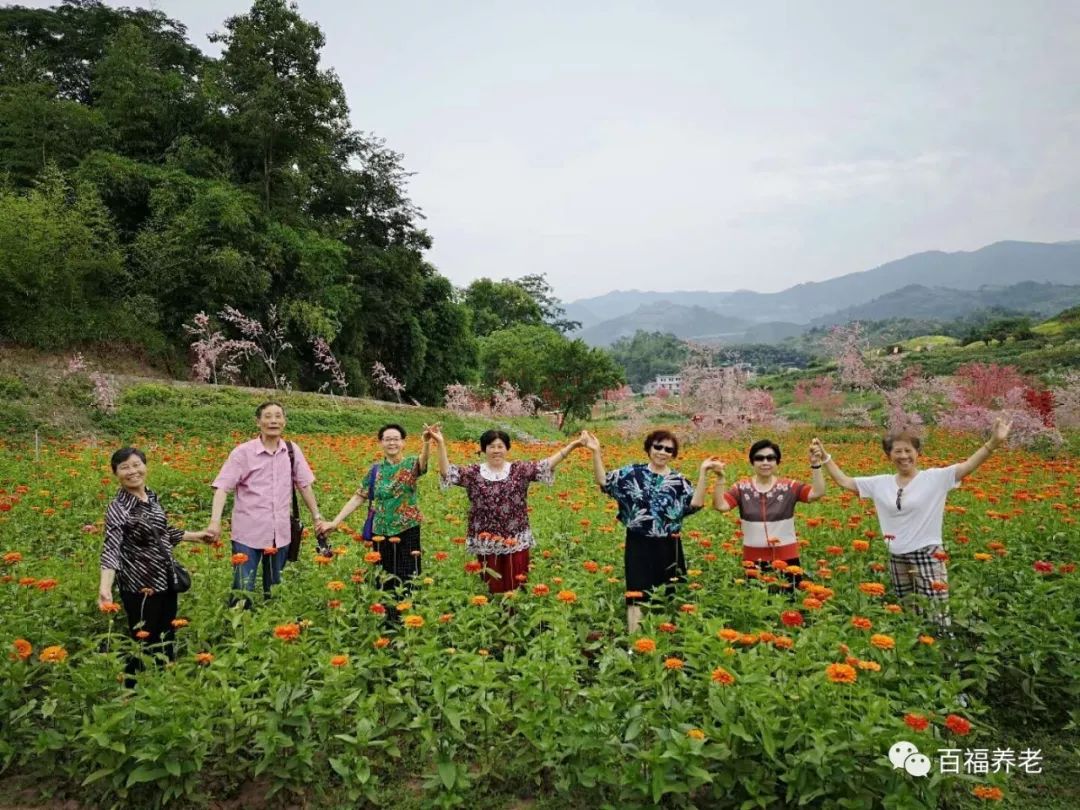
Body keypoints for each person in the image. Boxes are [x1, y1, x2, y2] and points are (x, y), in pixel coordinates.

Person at [812, 417, 1013, 624]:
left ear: (918, 453)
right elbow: (844, 481)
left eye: (908, 450)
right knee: (908, 613)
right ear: (889, 455)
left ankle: (946, 651)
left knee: (938, 612)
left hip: (927, 553)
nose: (903, 456)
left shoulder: (935, 478)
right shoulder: (880, 483)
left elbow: (969, 465)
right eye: (897, 451)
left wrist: (994, 442)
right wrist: (825, 458)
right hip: (896, 556)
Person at [99, 447, 213, 687]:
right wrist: (105, 587)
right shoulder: (119, 508)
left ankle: (164, 685)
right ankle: (131, 689)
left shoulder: (150, 496)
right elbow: (111, 548)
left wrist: (196, 536)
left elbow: (163, 532)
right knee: (143, 639)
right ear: (115, 473)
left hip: (165, 579)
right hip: (139, 586)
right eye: (124, 467)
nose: (132, 471)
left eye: (136, 465)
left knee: (167, 635)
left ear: (145, 466)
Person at [583, 429, 716, 632]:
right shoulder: (632, 473)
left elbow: (695, 503)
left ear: (673, 454)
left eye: (668, 450)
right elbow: (604, 481)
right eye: (658, 447)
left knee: (671, 591)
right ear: (649, 448)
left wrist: (703, 472)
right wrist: (596, 452)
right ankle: (634, 641)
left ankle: (666, 639)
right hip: (638, 541)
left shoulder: (678, 481)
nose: (662, 452)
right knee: (636, 590)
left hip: (668, 543)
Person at [431, 427, 583, 594]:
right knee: (491, 586)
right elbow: (448, 473)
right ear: (483, 449)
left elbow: (545, 465)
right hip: (487, 541)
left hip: (515, 539)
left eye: (500, 446)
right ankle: (495, 615)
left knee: (516, 584)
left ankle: (513, 615)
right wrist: (440, 443)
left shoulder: (519, 470)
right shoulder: (473, 473)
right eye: (491, 446)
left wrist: (572, 446)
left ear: (507, 448)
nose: (496, 450)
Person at [206, 401, 323, 601]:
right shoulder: (243, 453)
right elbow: (222, 487)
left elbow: (304, 485)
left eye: (278, 416)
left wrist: (317, 517)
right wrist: (215, 522)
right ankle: (240, 625)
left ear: (284, 422)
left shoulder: (291, 450)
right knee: (243, 587)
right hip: (248, 534)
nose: (273, 421)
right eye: (268, 416)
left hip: (281, 533)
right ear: (258, 422)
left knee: (275, 588)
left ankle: (275, 628)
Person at [319, 423, 433, 590]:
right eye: (387, 439)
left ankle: (408, 608)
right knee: (383, 574)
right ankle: (387, 612)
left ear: (403, 443)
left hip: (407, 528)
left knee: (408, 574)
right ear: (381, 443)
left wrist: (426, 442)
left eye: (395, 439)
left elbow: (423, 463)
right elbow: (359, 497)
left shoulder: (410, 464)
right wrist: (335, 522)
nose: (391, 443)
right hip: (379, 530)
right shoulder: (375, 470)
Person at [712, 439, 826, 589]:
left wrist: (816, 465)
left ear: (777, 462)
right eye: (759, 458)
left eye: (770, 458)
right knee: (756, 605)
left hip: (787, 558)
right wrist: (720, 478)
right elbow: (720, 505)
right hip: (753, 560)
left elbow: (817, 493)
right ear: (752, 462)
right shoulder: (741, 488)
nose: (765, 462)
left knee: (789, 604)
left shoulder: (789, 487)